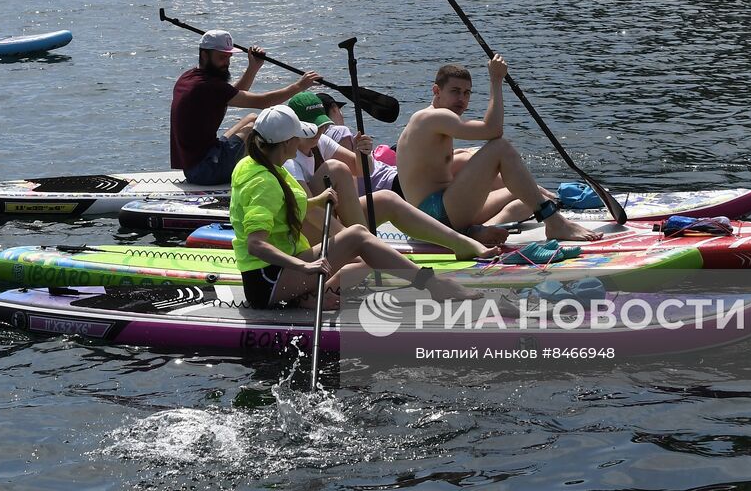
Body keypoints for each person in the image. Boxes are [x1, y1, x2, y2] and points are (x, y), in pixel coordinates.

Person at [231, 105, 485, 309]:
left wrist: (317, 201)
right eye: (298, 136)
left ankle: (308, 296)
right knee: (358, 237)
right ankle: (433, 284)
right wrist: (304, 267)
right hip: (268, 281)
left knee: (364, 252)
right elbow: (256, 244)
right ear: (287, 143)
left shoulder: (260, 163)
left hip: (282, 268)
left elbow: (283, 204)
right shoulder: (263, 181)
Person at [397, 57, 601, 242]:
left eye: (467, 93)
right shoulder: (434, 117)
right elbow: (493, 131)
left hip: (441, 211)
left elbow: (434, 167)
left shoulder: (430, 120)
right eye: (455, 91)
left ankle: (477, 231)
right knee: (500, 148)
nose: (462, 99)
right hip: (434, 215)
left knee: (528, 198)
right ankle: (556, 224)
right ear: (436, 91)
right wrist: (496, 80)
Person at [170, 30, 320, 185]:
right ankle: (268, 175)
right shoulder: (208, 86)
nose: (226, 63)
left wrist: (253, 67)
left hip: (197, 165)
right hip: (206, 171)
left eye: (228, 57)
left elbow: (233, 94)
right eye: (221, 57)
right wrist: (299, 86)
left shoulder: (190, 77)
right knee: (256, 127)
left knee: (252, 118)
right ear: (204, 55)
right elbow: (262, 102)